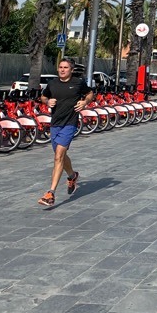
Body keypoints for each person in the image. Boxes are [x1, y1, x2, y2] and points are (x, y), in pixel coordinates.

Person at [38, 58, 94, 207]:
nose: (62, 70)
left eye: (65, 67)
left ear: (71, 69)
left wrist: (85, 102)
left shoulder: (77, 83)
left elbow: (90, 93)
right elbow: (43, 96)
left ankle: (51, 193)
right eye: (60, 67)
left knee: (58, 157)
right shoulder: (53, 83)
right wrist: (47, 101)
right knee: (60, 155)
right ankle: (72, 176)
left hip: (70, 123)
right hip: (55, 124)